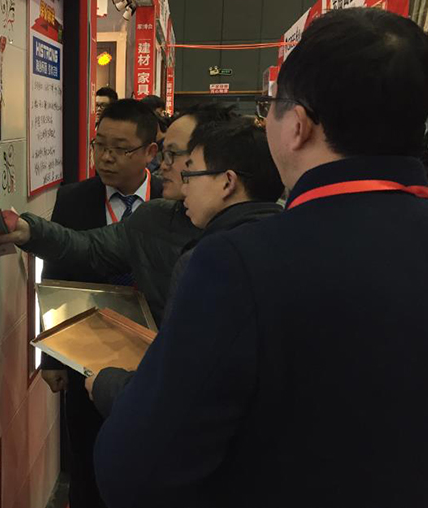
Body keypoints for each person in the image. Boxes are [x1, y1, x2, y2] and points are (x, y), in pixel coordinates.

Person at [93, 7, 428, 508]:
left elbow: (136, 470)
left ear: (298, 125)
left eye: (270, 105)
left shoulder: (240, 264)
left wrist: (112, 388)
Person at [88, 117, 284, 419]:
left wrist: (107, 385)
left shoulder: (209, 262)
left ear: (227, 182)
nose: (184, 182)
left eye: (191, 172)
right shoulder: (292, 242)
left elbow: (178, 391)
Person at [0, 103, 236, 327]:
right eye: (99, 145)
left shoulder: (245, 243)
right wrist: (30, 230)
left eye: (174, 155)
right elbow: (86, 248)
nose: (165, 165)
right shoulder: (155, 217)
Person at [40, 99, 163, 508]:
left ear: (150, 151)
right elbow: (56, 274)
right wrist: (53, 357)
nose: (106, 157)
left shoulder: (173, 199)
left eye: (120, 149)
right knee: (87, 459)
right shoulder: (74, 199)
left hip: (156, 352)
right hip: (87, 352)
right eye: (100, 145)